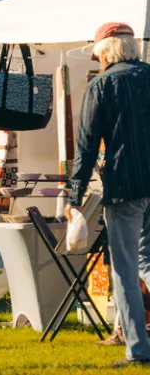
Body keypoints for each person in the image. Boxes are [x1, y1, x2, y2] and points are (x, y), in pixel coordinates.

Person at [68, 21, 150, 366]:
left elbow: (86, 147)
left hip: (126, 186)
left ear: (107, 52)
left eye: (97, 54)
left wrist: (74, 198)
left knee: (126, 270)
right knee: (146, 261)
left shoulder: (102, 85)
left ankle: (138, 350)